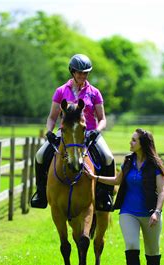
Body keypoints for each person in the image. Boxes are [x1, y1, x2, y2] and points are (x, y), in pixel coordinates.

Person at [84, 128, 164, 265]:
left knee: (152, 250)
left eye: (134, 140)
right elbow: (117, 180)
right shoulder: (128, 161)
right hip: (128, 211)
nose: (130, 142)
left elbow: (162, 190)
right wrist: (94, 177)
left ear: (142, 144)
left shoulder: (155, 165)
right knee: (131, 245)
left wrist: (157, 212)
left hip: (151, 213)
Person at [31, 53, 115, 211]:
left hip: (89, 133)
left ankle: (106, 196)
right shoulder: (61, 91)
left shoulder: (95, 92)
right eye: (79, 72)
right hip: (66, 133)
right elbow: (52, 117)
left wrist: (97, 131)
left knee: (108, 158)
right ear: (72, 72)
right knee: (40, 155)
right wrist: (49, 132)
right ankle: (41, 193)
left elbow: (102, 118)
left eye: (85, 73)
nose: (82, 75)